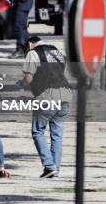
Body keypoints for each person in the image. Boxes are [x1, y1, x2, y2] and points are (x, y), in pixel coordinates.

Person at [18, 36, 72, 178]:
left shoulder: (33, 53)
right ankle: (55, 168)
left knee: (37, 131)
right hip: (65, 96)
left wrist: (21, 84)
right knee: (57, 135)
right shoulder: (58, 53)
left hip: (47, 96)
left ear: (30, 44)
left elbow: (28, 78)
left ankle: (49, 166)